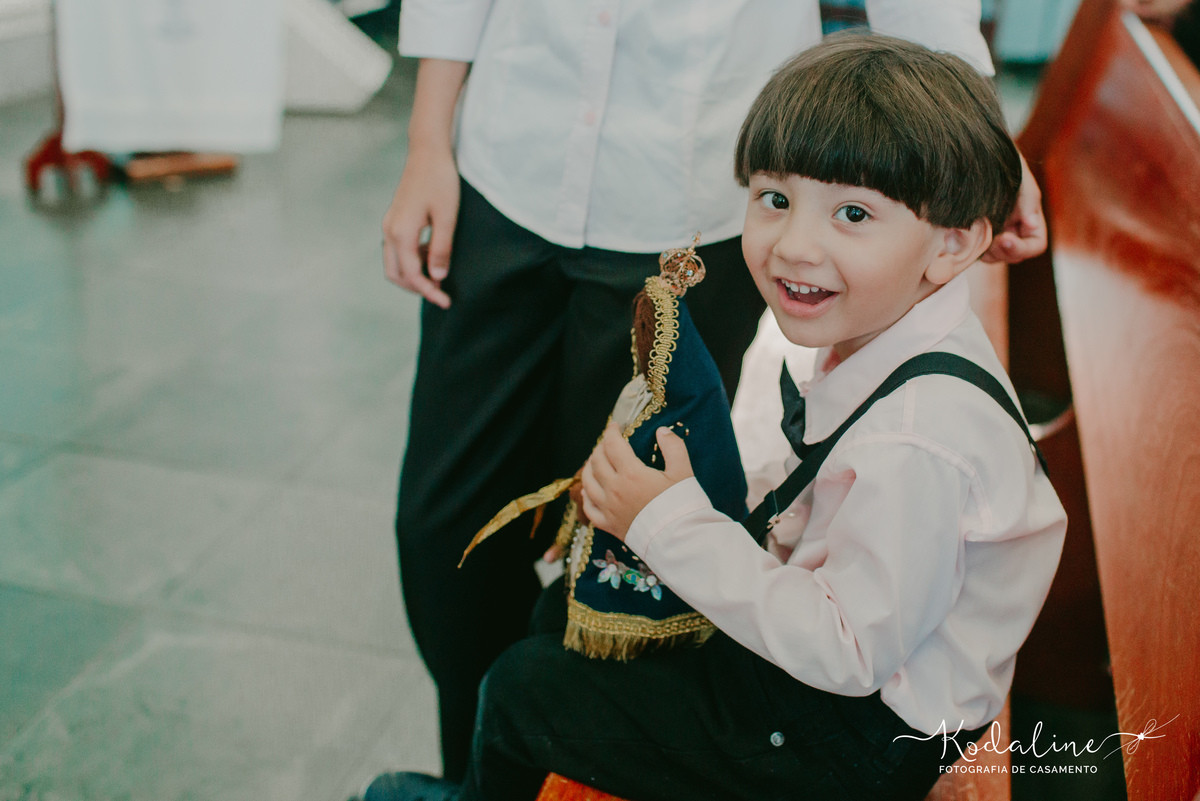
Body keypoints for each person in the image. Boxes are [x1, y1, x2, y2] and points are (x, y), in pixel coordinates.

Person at [365, 32, 1067, 801]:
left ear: (953, 245)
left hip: (853, 741)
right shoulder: (895, 334)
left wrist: (669, 524)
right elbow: (831, 506)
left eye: (853, 213)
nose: (794, 244)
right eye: (775, 199)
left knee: (525, 689)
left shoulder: (920, 438)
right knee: (567, 612)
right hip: (835, 677)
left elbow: (848, 648)